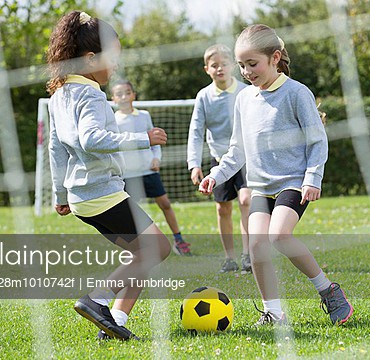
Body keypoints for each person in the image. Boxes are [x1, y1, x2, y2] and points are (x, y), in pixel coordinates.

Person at [199, 24, 353, 325]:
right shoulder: (243, 99)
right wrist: (217, 174)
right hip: (260, 187)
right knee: (256, 244)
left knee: (279, 235)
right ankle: (273, 312)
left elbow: (317, 140)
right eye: (242, 65)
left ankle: (328, 290)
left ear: (275, 57)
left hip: (293, 182)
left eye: (252, 64)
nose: (246, 71)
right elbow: (237, 150)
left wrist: (312, 178)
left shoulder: (296, 93)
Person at [46, 10, 171, 340]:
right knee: (158, 249)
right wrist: (141, 139)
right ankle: (97, 299)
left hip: (82, 196)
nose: (115, 66)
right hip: (102, 192)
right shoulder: (89, 93)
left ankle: (113, 322)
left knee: (141, 256)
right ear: (89, 59)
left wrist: (60, 196)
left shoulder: (59, 95)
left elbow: (55, 150)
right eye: (112, 58)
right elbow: (91, 139)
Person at [187, 44, 252, 274]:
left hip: (245, 159)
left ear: (233, 65)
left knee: (246, 200)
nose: (220, 68)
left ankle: (248, 256)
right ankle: (229, 258)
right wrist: (194, 164)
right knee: (223, 208)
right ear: (207, 69)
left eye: (224, 63)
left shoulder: (246, 91)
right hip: (218, 161)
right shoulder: (204, 97)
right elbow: (196, 131)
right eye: (215, 65)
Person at [111, 79, 191, 256]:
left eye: (127, 92)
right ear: (113, 99)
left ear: (133, 95)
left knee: (165, 204)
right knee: (130, 213)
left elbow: (155, 141)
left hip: (148, 171)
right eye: (119, 94)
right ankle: (136, 248)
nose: (124, 97)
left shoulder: (144, 116)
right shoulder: (113, 121)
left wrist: (156, 158)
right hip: (128, 175)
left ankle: (179, 240)